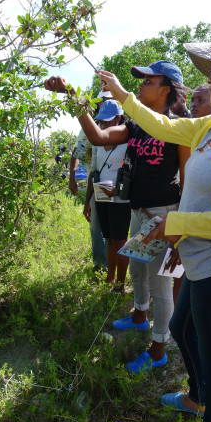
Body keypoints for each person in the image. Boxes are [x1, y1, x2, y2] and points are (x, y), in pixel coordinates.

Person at [96, 27, 211, 422]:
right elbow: (161, 125)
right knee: (181, 328)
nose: (207, 80)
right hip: (199, 262)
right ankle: (198, 400)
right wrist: (123, 96)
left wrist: (183, 224)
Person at [44, 60, 191, 374]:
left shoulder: (179, 125)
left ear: (166, 88)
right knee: (137, 271)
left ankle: (158, 350)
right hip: (138, 211)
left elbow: (186, 177)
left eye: (147, 81)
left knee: (160, 284)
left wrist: (181, 226)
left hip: (163, 215)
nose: (140, 84)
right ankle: (139, 318)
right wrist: (71, 94)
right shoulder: (136, 124)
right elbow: (98, 136)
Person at [84, 99, 131, 292]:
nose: (104, 125)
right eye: (101, 122)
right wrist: (87, 201)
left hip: (122, 198)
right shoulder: (97, 142)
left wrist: (118, 191)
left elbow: (133, 171)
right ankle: (109, 279)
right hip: (102, 192)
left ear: (118, 119)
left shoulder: (127, 141)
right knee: (109, 238)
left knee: (120, 240)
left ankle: (121, 284)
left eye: (108, 122)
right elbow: (93, 171)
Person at [69, 91, 113, 272]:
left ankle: (111, 265)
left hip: (115, 184)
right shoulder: (91, 126)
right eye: (102, 101)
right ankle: (100, 262)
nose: (104, 104)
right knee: (96, 224)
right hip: (97, 182)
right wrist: (71, 178)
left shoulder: (123, 125)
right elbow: (77, 152)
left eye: (108, 100)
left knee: (111, 228)